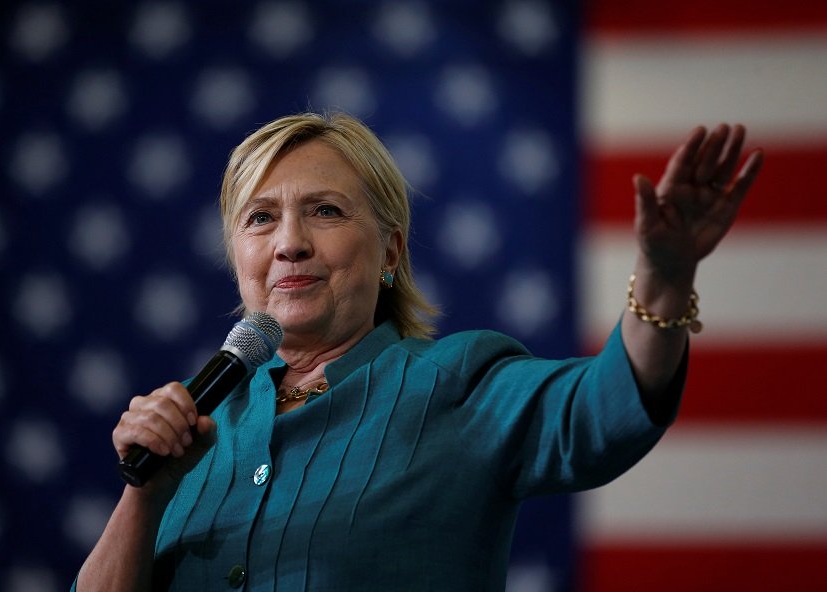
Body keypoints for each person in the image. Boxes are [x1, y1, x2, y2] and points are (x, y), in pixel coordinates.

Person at [73, 112, 763, 591]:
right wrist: (145, 496)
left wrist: (665, 281)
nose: (290, 243)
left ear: (391, 253)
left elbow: (603, 407)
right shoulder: (192, 427)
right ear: (236, 256)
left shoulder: (457, 383)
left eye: (326, 211)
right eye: (260, 218)